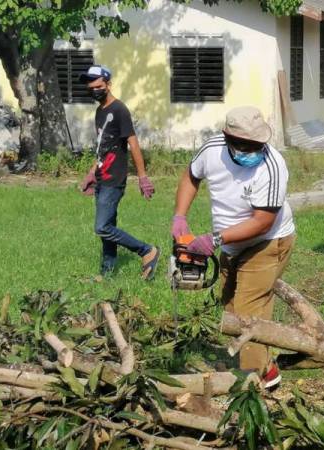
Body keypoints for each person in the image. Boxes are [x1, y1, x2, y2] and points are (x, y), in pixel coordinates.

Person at [172, 106, 295, 388]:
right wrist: (180, 216)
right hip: (231, 243)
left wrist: (214, 240)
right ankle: (266, 368)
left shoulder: (273, 167)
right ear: (227, 137)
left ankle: (251, 384)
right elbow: (191, 177)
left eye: (256, 145)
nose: (251, 150)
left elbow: (262, 222)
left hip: (266, 241)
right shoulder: (212, 150)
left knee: (248, 312)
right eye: (244, 144)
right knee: (229, 306)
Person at [79, 65, 160, 279]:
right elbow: (102, 148)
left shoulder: (119, 110)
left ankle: (146, 250)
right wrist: (91, 174)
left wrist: (142, 177)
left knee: (102, 227)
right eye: (90, 87)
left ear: (108, 84)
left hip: (114, 180)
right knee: (109, 227)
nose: (94, 90)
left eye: (98, 85)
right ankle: (107, 273)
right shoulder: (100, 111)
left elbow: (133, 143)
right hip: (101, 178)